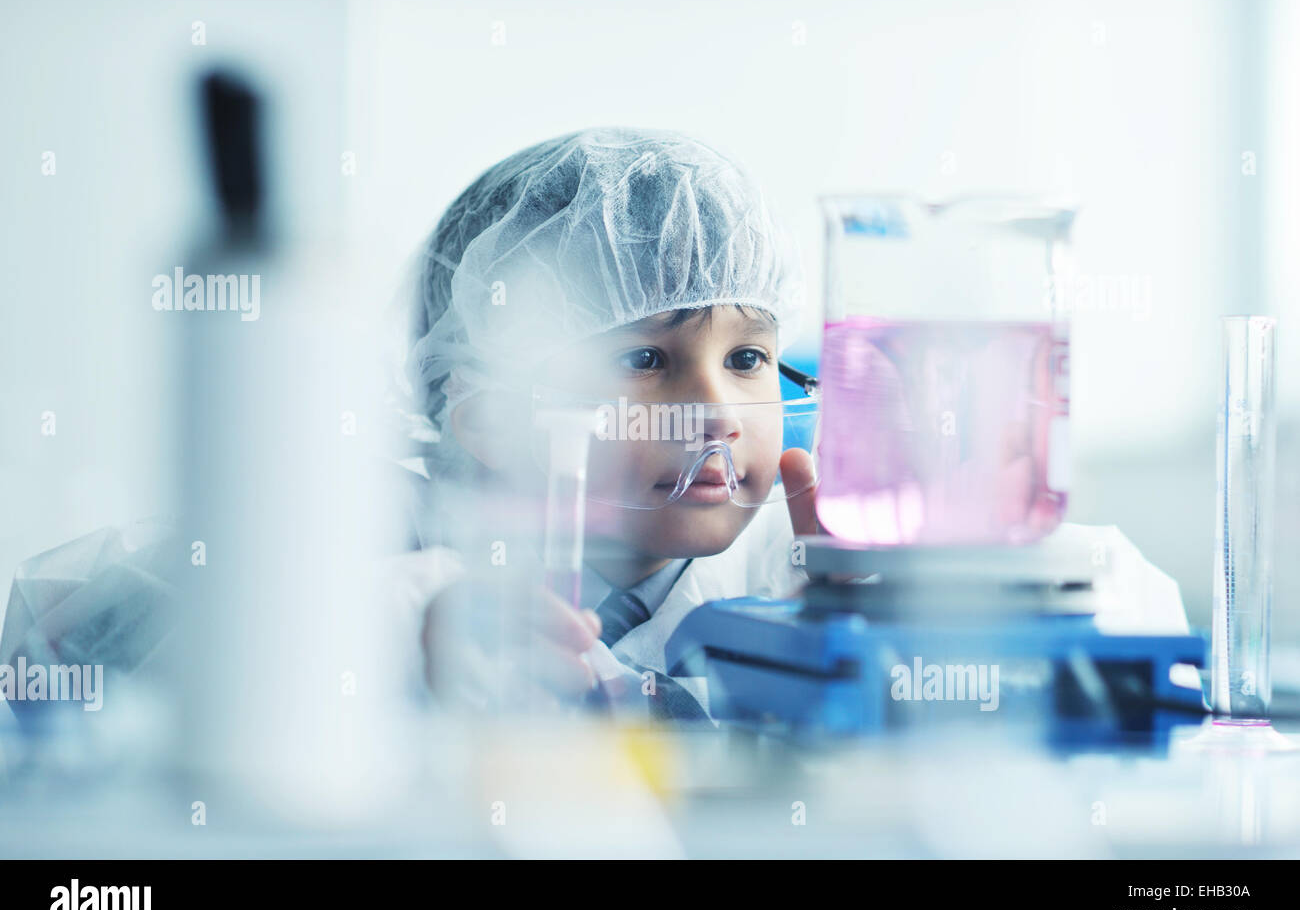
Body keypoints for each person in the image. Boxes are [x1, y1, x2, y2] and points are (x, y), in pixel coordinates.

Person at [394, 125, 1188, 722]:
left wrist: (943, 603)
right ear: (490, 415)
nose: (721, 419)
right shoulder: (415, 582)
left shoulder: (810, 565)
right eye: (643, 360)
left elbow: (1145, 617)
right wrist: (426, 658)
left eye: (747, 360)